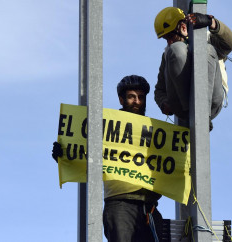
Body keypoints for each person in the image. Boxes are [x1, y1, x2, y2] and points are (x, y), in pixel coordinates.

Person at [52, 75, 163, 242]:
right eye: (132, 96)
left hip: (150, 207)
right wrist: (65, 154)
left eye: (141, 97)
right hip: (120, 203)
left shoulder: (156, 130)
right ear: (121, 99)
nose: (137, 102)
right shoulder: (107, 127)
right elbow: (85, 154)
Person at [154, 7, 232, 130]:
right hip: (182, 107)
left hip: (212, 102)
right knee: (176, 49)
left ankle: (202, 114)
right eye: (166, 39)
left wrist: (212, 22)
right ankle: (193, 112)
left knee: (206, 48)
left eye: (170, 36)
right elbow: (159, 90)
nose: (169, 42)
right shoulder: (169, 53)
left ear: (183, 27)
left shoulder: (207, 38)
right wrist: (164, 103)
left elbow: (231, 43)